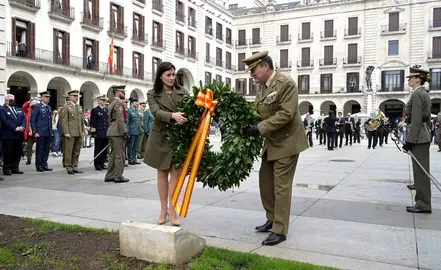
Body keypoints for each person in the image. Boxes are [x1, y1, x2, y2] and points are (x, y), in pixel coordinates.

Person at [242, 51, 309, 246]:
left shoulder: (285, 84)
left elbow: (286, 114)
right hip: (271, 142)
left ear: (265, 66)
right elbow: (260, 112)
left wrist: (258, 128)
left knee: (281, 187)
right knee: (266, 182)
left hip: (287, 142)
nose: (251, 74)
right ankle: (271, 219)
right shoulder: (261, 86)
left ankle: (280, 230)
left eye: (254, 70)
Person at [144, 61, 188, 227]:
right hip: (161, 137)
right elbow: (155, 112)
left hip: (177, 138)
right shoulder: (152, 93)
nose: (172, 78)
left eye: (173, 74)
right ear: (160, 76)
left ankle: (173, 210)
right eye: (168, 75)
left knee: (175, 174)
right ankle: (163, 210)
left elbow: (190, 110)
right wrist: (173, 116)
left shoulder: (182, 91)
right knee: (162, 173)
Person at [402, 66, 432, 214]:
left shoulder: (418, 94)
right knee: (420, 172)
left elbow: (416, 119)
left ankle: (423, 204)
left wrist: (410, 140)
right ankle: (422, 203)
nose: (409, 80)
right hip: (421, 136)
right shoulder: (421, 93)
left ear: (417, 79)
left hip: (419, 137)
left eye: (411, 78)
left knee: (421, 173)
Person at [105, 85, 129, 183]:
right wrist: (124, 131)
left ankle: (110, 175)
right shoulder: (118, 103)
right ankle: (118, 176)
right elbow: (120, 119)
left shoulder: (112, 103)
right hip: (117, 132)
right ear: (118, 92)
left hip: (111, 130)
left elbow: (110, 119)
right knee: (120, 155)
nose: (124, 94)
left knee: (112, 154)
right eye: (123, 92)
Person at [0, 94, 26, 176]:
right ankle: (7, 168)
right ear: (7, 100)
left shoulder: (18, 109)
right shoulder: (2, 109)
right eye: (11, 99)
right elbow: (5, 121)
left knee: (17, 152)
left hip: (18, 135)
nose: (13, 101)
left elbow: (24, 119)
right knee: (8, 152)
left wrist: (22, 126)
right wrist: (15, 128)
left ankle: (15, 167)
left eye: (14, 99)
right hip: (8, 134)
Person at [60, 90, 85, 175]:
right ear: (70, 97)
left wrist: (83, 129)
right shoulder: (66, 107)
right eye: (74, 96)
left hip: (78, 132)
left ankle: (75, 166)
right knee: (69, 151)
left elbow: (81, 121)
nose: (76, 98)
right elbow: (64, 121)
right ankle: (68, 166)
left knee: (77, 150)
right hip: (70, 132)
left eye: (77, 96)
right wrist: (66, 132)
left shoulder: (79, 107)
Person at [30, 91, 53, 172]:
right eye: (46, 97)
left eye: (48, 97)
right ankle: (39, 165)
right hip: (40, 131)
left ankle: (44, 164)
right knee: (40, 149)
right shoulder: (37, 107)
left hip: (48, 131)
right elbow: (33, 120)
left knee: (46, 149)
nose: (48, 98)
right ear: (42, 98)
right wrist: (34, 131)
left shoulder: (49, 107)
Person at [90, 95, 109, 171]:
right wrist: (94, 133)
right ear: (99, 101)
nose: (104, 102)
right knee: (98, 149)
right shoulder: (95, 110)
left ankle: (102, 163)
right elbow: (93, 122)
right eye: (102, 100)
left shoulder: (106, 110)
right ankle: (97, 164)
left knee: (104, 149)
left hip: (105, 132)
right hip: (99, 132)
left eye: (104, 100)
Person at [127, 98, 141, 165]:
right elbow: (127, 122)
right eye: (136, 102)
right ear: (132, 103)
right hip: (131, 131)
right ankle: (130, 159)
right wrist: (128, 131)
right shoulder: (129, 111)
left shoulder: (137, 111)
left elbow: (139, 121)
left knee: (135, 146)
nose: (137, 104)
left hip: (137, 131)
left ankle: (134, 158)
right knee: (130, 146)